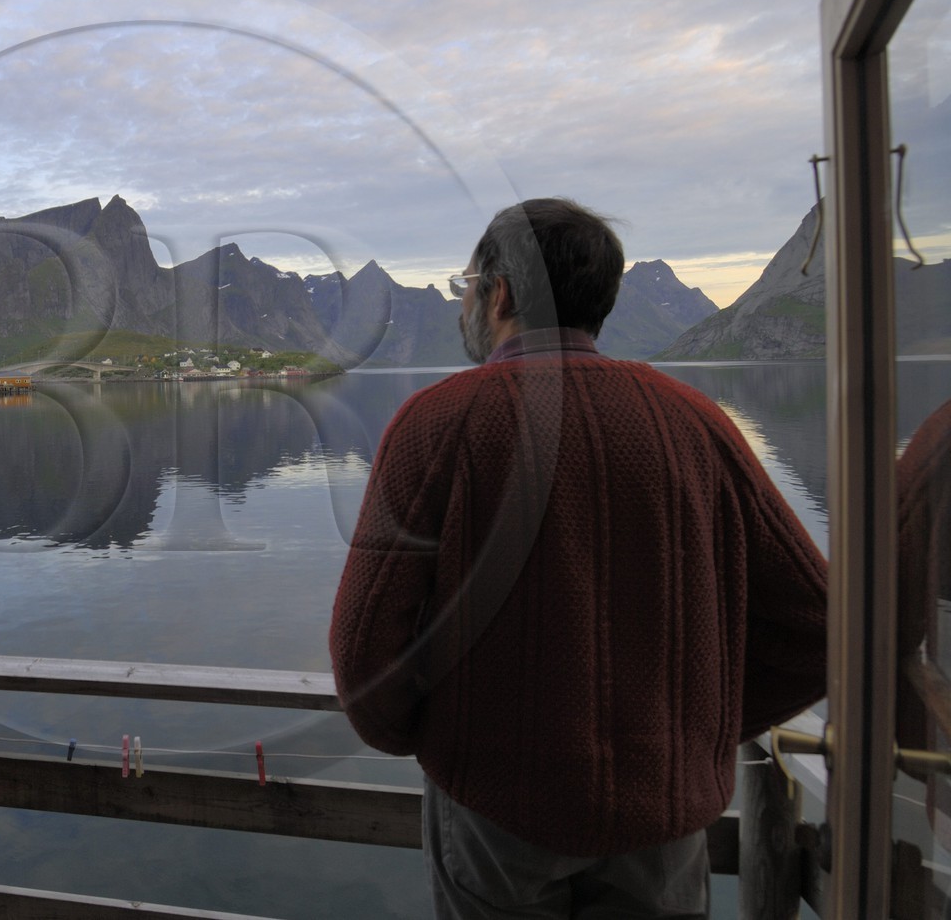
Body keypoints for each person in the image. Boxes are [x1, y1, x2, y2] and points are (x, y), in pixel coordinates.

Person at [328, 197, 828, 918]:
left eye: (466, 284)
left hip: (493, 813)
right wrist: (691, 735)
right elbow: (818, 625)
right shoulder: (698, 424)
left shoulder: (436, 425)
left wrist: (438, 743)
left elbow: (363, 653)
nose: (463, 299)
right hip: (663, 815)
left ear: (498, 294)